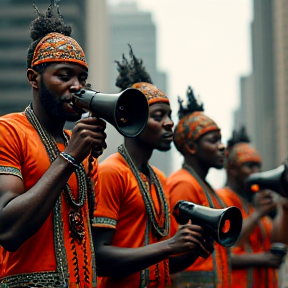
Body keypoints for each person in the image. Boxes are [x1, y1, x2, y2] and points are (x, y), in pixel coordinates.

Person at [0, 2, 106, 287]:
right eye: (64, 76)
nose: (77, 86)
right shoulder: (8, 130)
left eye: (82, 78)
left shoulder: (80, 145)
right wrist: (70, 158)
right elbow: (8, 230)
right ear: (33, 78)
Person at [92, 46, 213, 288]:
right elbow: (99, 258)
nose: (169, 124)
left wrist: (191, 248)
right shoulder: (111, 171)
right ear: (133, 120)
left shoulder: (159, 178)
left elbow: (162, 262)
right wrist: (170, 245)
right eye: (159, 116)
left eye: (170, 116)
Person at [167, 86, 230, 288]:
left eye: (221, 140)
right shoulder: (184, 182)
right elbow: (179, 246)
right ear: (192, 147)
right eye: (214, 141)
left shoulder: (203, 184)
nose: (222, 146)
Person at [216, 126, 286, 288]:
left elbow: (280, 242)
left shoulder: (255, 202)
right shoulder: (221, 199)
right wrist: (260, 258)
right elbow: (225, 250)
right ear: (232, 169)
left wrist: (284, 206)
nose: (256, 172)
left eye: (258, 166)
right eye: (249, 166)